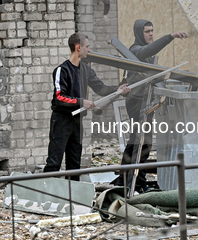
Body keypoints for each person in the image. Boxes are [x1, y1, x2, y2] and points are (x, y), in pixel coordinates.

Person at [43, 32, 130, 180]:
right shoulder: (62, 70)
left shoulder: (86, 70)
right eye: (87, 47)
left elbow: (101, 88)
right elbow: (59, 97)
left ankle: (71, 198)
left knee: (74, 163)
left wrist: (118, 90)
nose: (89, 50)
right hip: (61, 120)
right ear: (78, 47)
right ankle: (45, 196)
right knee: (54, 162)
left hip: (77, 121)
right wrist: (81, 102)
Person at [118, 19, 188, 192]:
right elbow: (148, 51)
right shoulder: (135, 50)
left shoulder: (146, 55)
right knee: (142, 143)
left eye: (152, 31)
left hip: (145, 101)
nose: (150, 34)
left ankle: (124, 180)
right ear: (139, 34)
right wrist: (170, 36)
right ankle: (137, 183)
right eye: (147, 31)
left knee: (137, 142)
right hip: (137, 103)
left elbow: (146, 76)